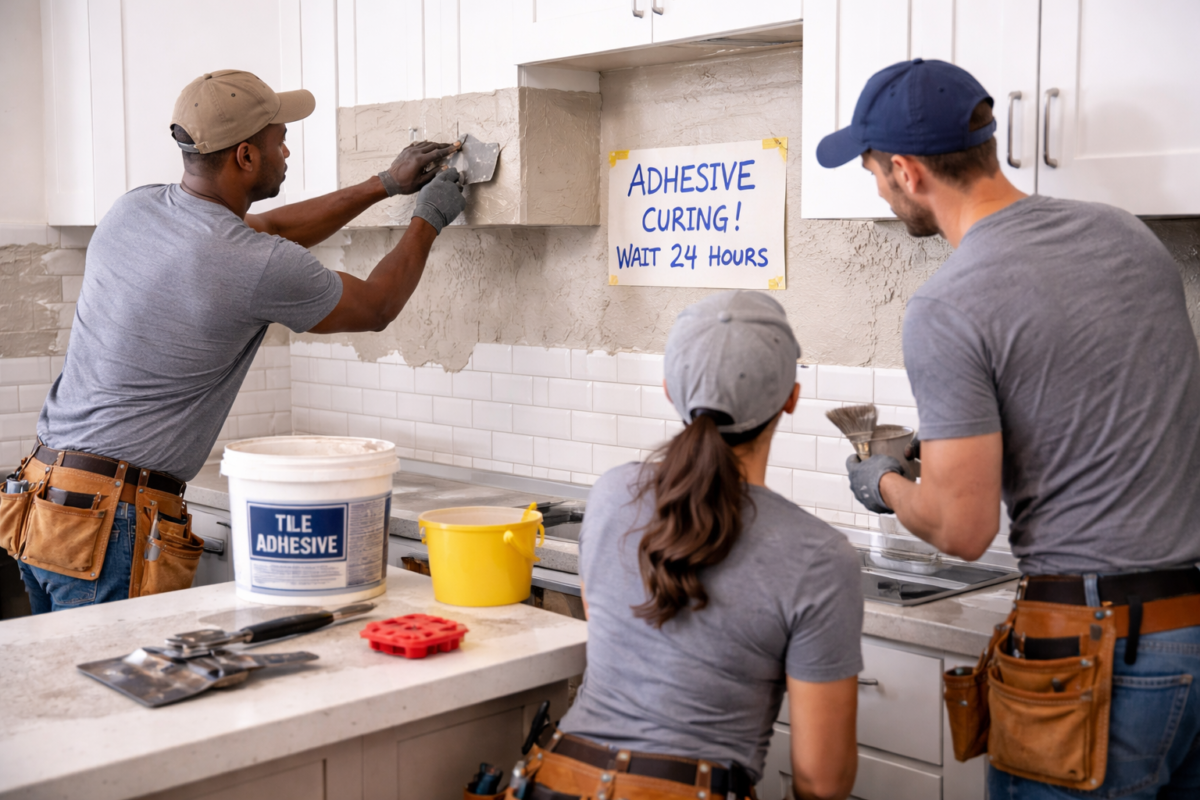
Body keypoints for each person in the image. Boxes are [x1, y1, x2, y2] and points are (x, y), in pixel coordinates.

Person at [819, 58, 1200, 798]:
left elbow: (963, 531)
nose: (879, 191)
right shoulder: (1128, 238)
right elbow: (1105, 409)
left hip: (1088, 656)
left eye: (873, 173)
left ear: (907, 171)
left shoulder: (950, 303)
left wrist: (887, 481)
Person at [6, 70, 468, 613]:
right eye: (279, 140)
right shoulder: (250, 264)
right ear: (246, 157)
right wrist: (428, 217)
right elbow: (376, 307)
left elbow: (267, 229)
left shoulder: (134, 208)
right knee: (117, 693)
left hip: (41, 500)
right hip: (111, 524)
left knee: (76, 692)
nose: (288, 150)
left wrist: (384, 184)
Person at [516, 292, 863, 800]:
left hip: (556, 781)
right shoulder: (820, 556)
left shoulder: (613, 494)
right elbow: (822, 779)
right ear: (791, 397)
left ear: (669, 391)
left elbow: (606, 621)